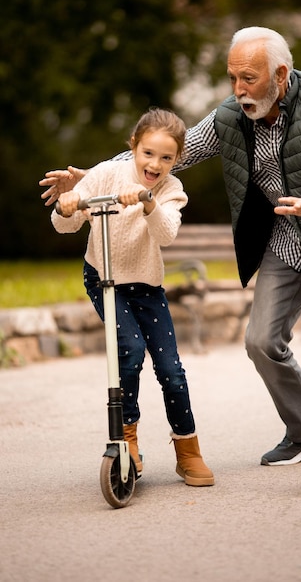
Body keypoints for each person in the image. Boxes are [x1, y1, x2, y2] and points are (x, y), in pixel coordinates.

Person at [40, 26, 301, 490]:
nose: (238, 89)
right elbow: (173, 153)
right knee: (261, 340)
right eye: (232, 78)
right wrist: (104, 174)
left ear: (281, 74)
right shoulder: (233, 115)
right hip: (290, 233)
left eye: (248, 78)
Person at [49, 107, 214, 487]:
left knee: (171, 370)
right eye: (148, 153)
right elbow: (65, 225)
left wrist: (147, 201)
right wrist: (68, 204)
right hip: (103, 277)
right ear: (134, 148)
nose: (155, 164)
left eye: (166, 157)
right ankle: (127, 440)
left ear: (177, 159)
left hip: (147, 286)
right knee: (130, 349)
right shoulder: (107, 172)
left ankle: (188, 450)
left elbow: (167, 234)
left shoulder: (171, 190)